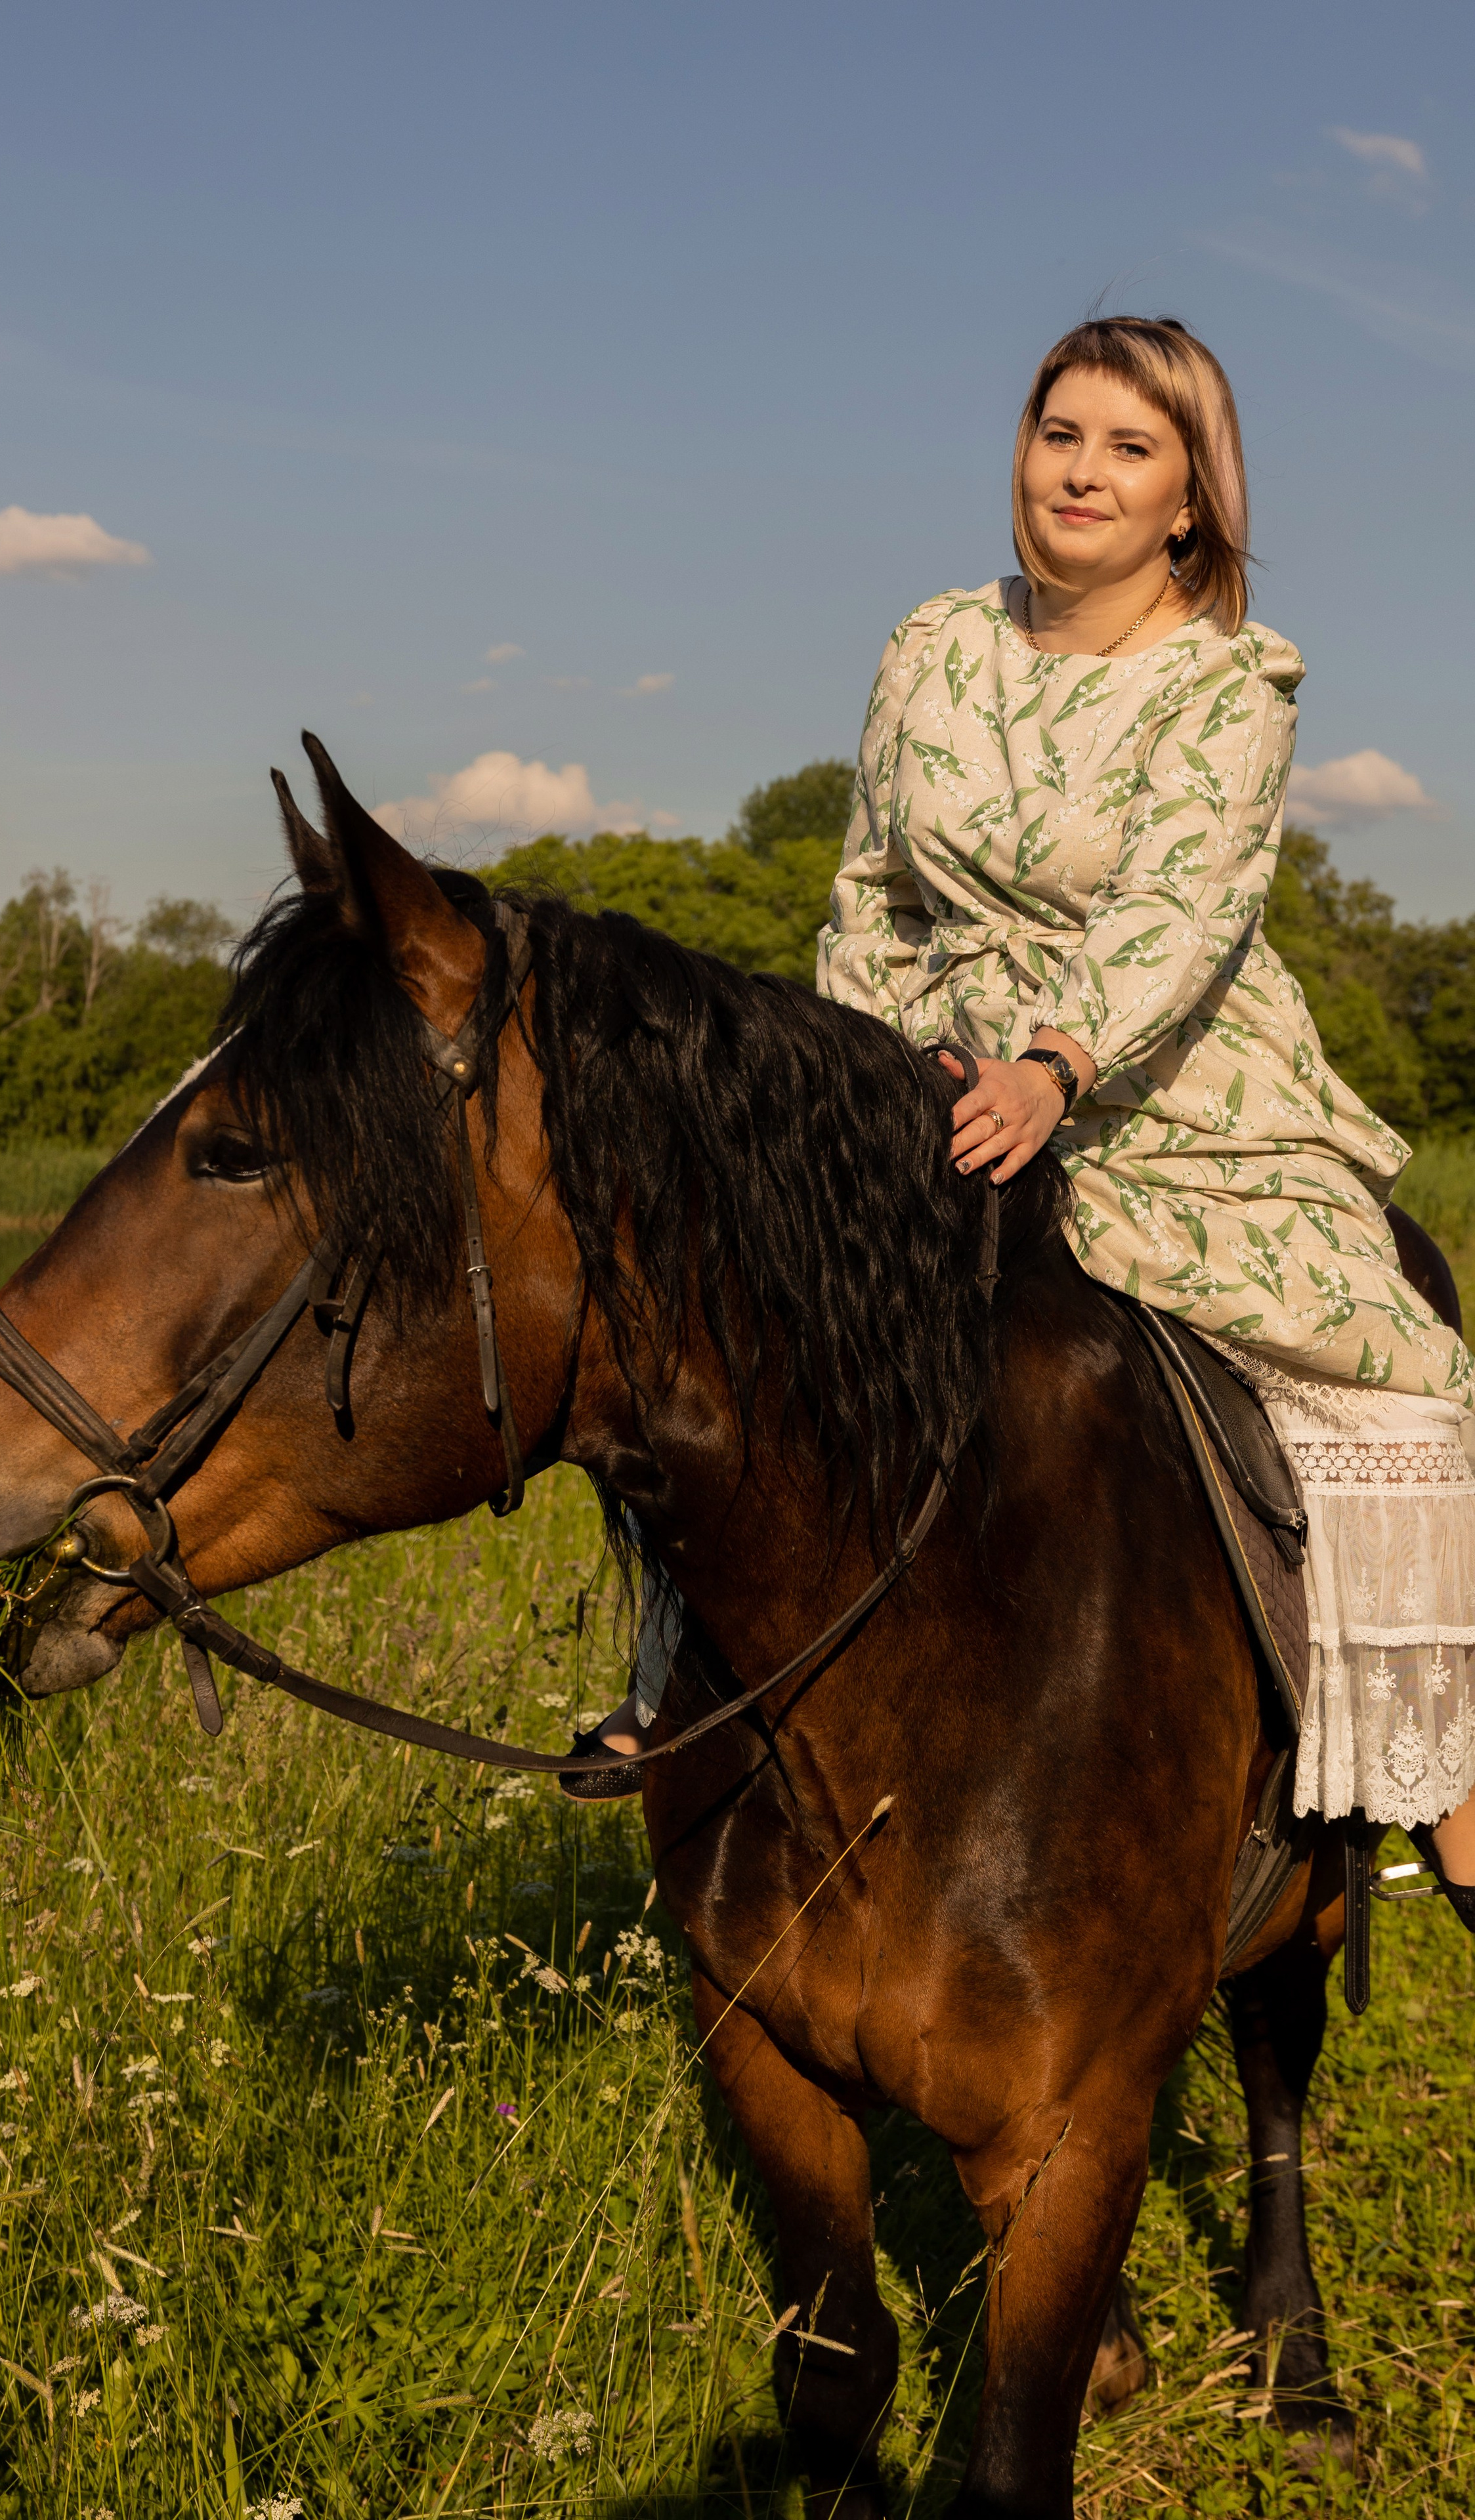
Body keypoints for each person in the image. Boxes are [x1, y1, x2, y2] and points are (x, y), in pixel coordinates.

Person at [562, 314, 1475, 1928]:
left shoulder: (1226, 685)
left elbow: (1180, 909)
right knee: (722, 1311)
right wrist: (884, 1065)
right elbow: (867, 885)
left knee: (1400, 1376)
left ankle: (1427, 1773)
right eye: (1061, 433)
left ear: (1187, 501)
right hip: (918, 1063)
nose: (1082, 472)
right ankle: (688, 1685)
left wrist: (1054, 1065)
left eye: (1129, 448)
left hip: (1166, 1084)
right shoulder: (931, 642)